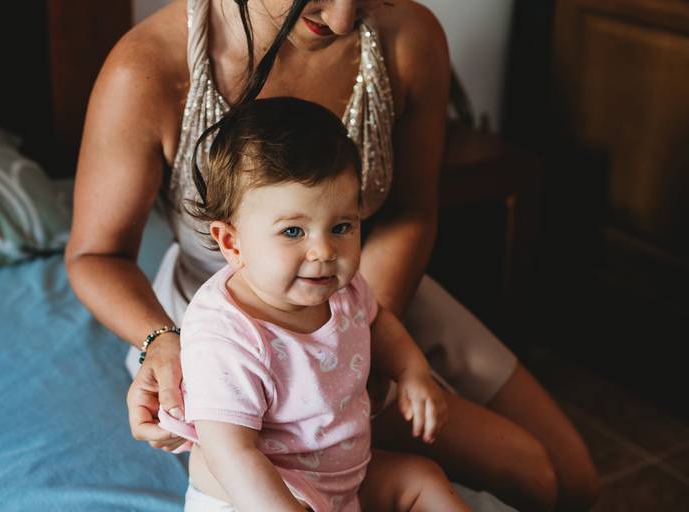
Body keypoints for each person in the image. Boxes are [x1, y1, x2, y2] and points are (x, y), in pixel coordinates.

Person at [65, 0, 599, 510]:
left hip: (364, 285)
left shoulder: (411, 40)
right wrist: (161, 340)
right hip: (235, 322)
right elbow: (96, 254)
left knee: (570, 480)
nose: (343, 19)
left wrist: (357, 345)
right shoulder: (148, 69)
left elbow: (413, 209)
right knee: (529, 473)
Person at [157, 95, 469, 511]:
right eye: (292, 232)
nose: (324, 251)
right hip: (261, 495)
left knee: (421, 479)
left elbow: (379, 324)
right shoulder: (226, 333)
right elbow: (230, 453)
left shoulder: (343, 287)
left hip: (342, 481)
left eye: (341, 226)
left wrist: (413, 372)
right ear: (232, 242)